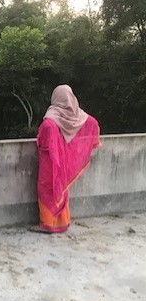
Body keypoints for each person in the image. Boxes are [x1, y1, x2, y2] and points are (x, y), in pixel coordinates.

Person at [31, 85, 101, 234]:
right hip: (66, 163)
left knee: (46, 190)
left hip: (50, 163)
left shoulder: (50, 120)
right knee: (62, 189)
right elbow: (93, 123)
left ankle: (48, 224)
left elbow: (43, 139)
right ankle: (63, 222)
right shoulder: (79, 117)